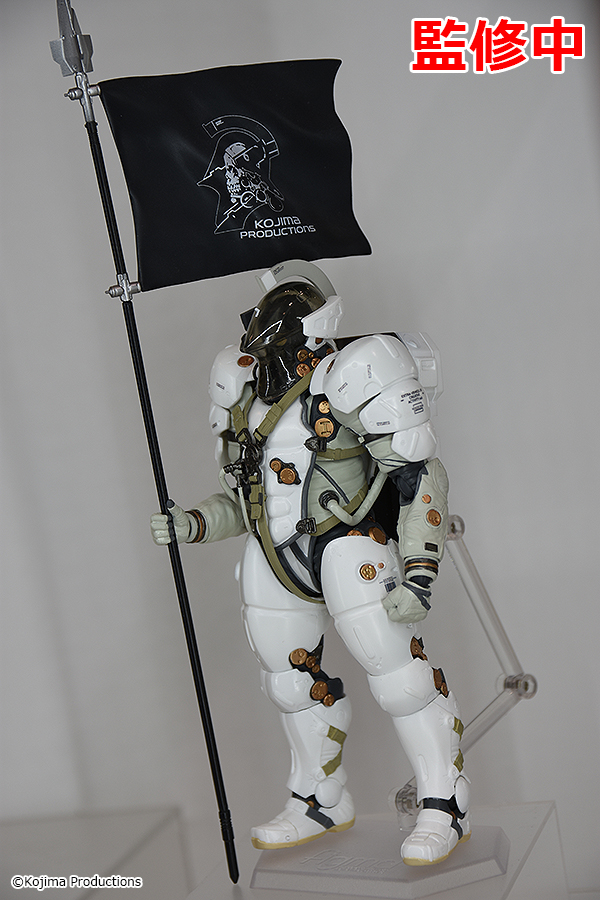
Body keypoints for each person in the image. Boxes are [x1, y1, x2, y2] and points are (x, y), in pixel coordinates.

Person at [151, 259, 470, 866]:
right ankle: (319, 801)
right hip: (275, 556)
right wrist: (193, 523)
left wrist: (420, 569)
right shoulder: (240, 389)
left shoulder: (353, 373)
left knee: (400, 679)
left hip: (347, 546)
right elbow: (248, 500)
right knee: (291, 683)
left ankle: (445, 805)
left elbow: (418, 474)